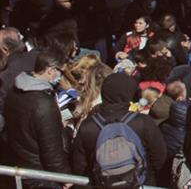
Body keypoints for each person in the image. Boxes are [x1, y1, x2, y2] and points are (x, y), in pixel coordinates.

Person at [71, 72, 167, 186]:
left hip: (102, 183)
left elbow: (79, 165)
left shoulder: (88, 126)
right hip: (138, 183)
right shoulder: (143, 122)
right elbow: (159, 157)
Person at [3, 49, 72, 181]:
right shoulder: (44, 105)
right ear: (51, 70)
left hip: (19, 164)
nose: (62, 77)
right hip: (40, 173)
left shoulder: (14, 91)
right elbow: (52, 152)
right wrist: (65, 176)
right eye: (61, 72)